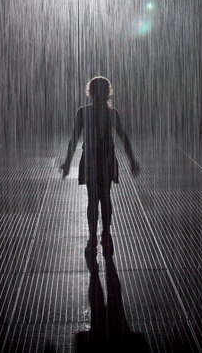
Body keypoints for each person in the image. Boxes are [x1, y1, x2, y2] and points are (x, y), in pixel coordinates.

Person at [61, 76, 139, 268]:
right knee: (104, 197)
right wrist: (131, 159)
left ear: (91, 92)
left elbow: (74, 138)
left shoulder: (84, 113)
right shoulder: (111, 113)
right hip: (104, 159)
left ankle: (94, 237)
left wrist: (68, 162)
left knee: (94, 199)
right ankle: (104, 235)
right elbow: (123, 137)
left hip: (92, 160)